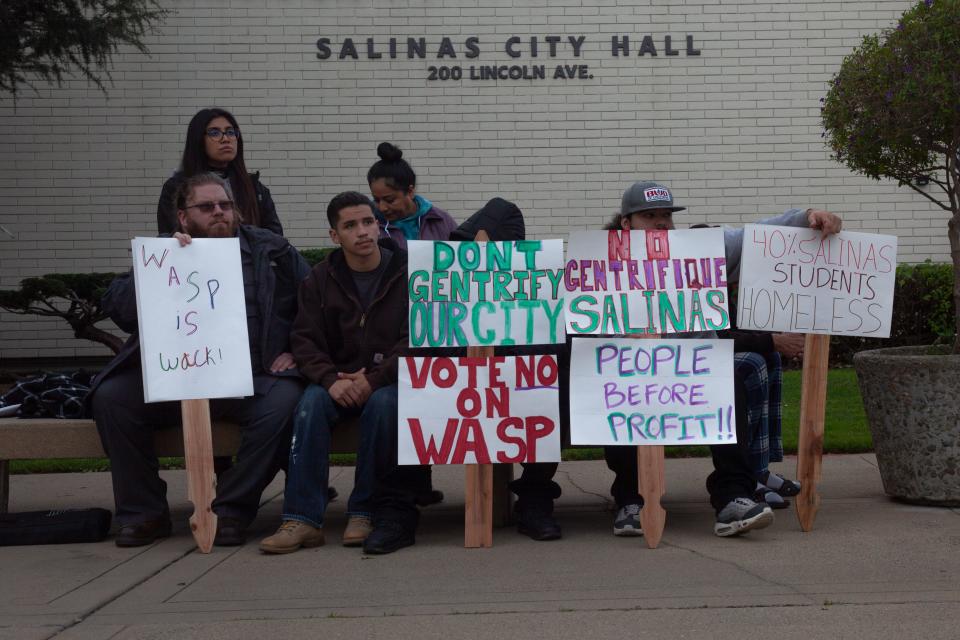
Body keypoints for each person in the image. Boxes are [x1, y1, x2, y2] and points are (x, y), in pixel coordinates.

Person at [602, 180, 841, 537]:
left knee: (728, 379)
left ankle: (733, 499)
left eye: (666, 215)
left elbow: (755, 237)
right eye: (649, 216)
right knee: (615, 386)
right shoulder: (601, 261)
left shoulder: (696, 251)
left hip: (696, 368)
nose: (661, 223)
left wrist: (806, 216)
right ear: (627, 224)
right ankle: (630, 501)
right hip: (631, 370)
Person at [91, 173, 308, 547]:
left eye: (225, 205)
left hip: (252, 377)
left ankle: (231, 511)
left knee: (285, 402)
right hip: (177, 379)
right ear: (183, 217)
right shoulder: (165, 252)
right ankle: (144, 513)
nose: (219, 213)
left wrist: (296, 352)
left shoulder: (271, 250)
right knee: (112, 398)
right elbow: (120, 308)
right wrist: (159, 264)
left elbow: (316, 302)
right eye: (207, 207)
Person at [260, 191, 415, 555]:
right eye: (350, 226)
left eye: (368, 222)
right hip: (336, 382)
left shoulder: (407, 274)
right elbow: (304, 340)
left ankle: (363, 512)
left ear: (378, 225)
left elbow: (414, 339)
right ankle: (302, 519)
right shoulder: (319, 279)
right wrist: (330, 379)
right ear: (335, 236)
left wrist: (373, 379)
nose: (362, 232)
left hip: (388, 382)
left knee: (384, 405)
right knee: (309, 405)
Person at [157, 108, 282, 236]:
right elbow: (168, 236)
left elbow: (276, 239)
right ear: (198, 138)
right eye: (215, 133)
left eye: (231, 132)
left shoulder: (255, 188)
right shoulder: (175, 188)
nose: (226, 139)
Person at [367, 142, 456, 248]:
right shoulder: (368, 226)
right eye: (376, 200)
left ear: (410, 191)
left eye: (390, 200)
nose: (382, 208)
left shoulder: (441, 220)